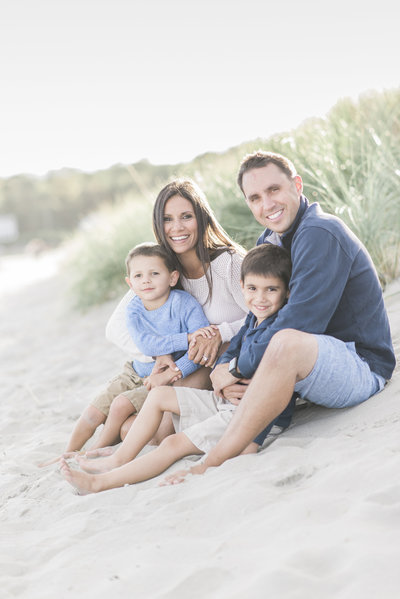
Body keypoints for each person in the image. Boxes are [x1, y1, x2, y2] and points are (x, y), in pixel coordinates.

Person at [160, 150, 396, 483]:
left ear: (296, 185)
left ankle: (214, 459)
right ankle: (245, 442)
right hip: (313, 364)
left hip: (360, 366)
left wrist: (239, 367)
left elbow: (299, 323)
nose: (266, 204)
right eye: (255, 197)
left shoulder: (319, 232)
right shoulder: (271, 239)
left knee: (283, 342)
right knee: (264, 345)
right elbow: (253, 320)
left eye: (274, 190)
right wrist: (225, 365)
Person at [60, 244, 296, 493]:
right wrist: (220, 371)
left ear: (287, 293)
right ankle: (119, 459)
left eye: (271, 290)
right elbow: (233, 349)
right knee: (159, 395)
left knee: (172, 443)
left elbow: (266, 392)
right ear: (242, 287)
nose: (260, 298)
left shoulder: (279, 329)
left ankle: (99, 483)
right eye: (252, 289)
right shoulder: (253, 317)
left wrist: (241, 447)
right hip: (224, 401)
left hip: (250, 416)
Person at [41, 242, 211, 465]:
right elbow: (147, 345)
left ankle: (94, 450)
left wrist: (182, 357)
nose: (146, 280)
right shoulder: (134, 308)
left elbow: (200, 346)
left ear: (172, 277)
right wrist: (184, 338)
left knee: (121, 405)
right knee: (93, 413)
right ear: (131, 283)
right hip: (133, 371)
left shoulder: (184, 304)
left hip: (160, 380)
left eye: (154, 273)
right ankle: (67, 452)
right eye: (139, 276)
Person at [105, 178, 249, 439]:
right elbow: (114, 330)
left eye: (186, 216)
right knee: (131, 428)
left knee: (157, 434)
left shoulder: (229, 264)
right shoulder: (161, 272)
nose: (177, 227)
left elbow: (266, 315)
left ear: (201, 218)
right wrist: (160, 354)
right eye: (168, 219)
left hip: (229, 362)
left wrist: (221, 332)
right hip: (188, 365)